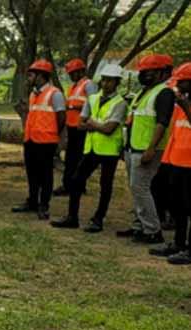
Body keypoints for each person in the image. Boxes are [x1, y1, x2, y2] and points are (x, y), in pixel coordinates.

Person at [50, 65, 127, 233]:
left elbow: (109, 129)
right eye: (104, 80)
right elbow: (80, 124)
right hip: (91, 148)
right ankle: (72, 217)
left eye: (110, 81)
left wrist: (92, 124)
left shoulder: (120, 103)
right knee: (77, 180)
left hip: (109, 150)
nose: (106, 84)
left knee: (105, 186)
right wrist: (95, 125)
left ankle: (98, 219)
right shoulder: (92, 99)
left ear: (117, 83)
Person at [119, 54, 174, 244]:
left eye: (148, 72)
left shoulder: (164, 92)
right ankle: (139, 225)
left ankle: (152, 230)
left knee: (140, 188)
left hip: (147, 149)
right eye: (143, 72)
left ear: (161, 73)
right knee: (136, 189)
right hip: (133, 147)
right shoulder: (144, 92)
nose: (144, 75)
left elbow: (162, 123)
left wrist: (151, 148)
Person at [13, 59, 65, 220]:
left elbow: (61, 117)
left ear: (41, 76)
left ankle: (44, 205)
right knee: (32, 173)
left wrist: (55, 137)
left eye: (31, 75)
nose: (28, 78)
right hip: (31, 140)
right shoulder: (33, 94)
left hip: (46, 142)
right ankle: (32, 201)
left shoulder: (55, 94)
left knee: (45, 175)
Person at [150, 62, 191, 264]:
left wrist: (186, 107)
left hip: (189, 164)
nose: (178, 88)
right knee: (176, 204)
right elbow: (175, 132)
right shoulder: (181, 103)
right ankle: (178, 243)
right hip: (175, 160)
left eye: (181, 83)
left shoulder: (184, 104)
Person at [55, 58, 99, 196]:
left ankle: (77, 186)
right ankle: (68, 185)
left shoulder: (88, 84)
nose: (71, 75)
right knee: (70, 158)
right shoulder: (73, 87)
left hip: (82, 128)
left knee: (79, 159)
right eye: (70, 73)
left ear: (81, 71)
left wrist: (73, 107)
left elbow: (94, 104)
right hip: (72, 127)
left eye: (73, 72)